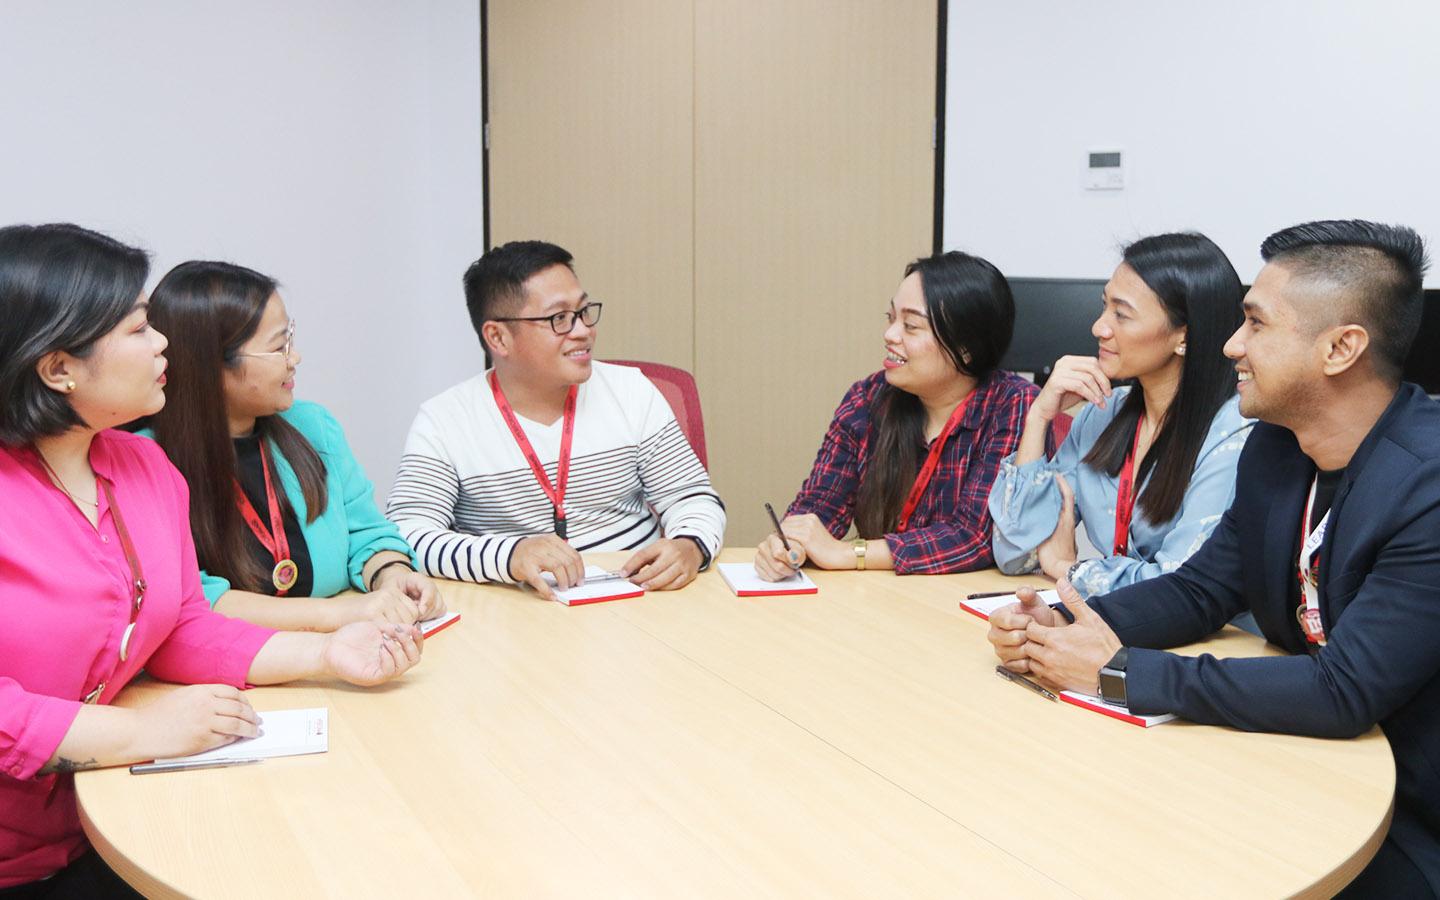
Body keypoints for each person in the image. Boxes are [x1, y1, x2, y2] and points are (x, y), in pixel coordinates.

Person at [987, 220, 1440, 898]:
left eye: (1255, 324)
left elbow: (1345, 691)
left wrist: (1116, 673)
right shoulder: (1278, 449)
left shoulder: (1428, 484)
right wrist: (1063, 623)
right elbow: (1199, 589)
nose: (1230, 345)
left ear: (1341, 348)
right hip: (1300, 761)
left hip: (1409, 810)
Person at [0, 224, 423, 894]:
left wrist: (327, 654)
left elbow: (183, 629)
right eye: (138, 329)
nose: (164, 341)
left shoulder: (143, 466)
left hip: (101, 820)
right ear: (59, 367)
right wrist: (140, 730)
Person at [386, 240, 725, 599]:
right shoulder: (445, 420)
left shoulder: (631, 391)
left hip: (637, 598)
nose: (582, 331)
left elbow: (691, 497)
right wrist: (511, 555)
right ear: (498, 337)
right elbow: (408, 535)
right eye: (558, 319)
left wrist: (691, 545)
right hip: (516, 609)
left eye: (583, 312)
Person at [139, 261, 444, 632]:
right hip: (231, 672)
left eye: (290, 339)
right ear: (212, 367)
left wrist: (391, 573)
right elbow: (193, 596)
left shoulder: (314, 426)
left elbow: (367, 533)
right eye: (278, 347)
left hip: (344, 655)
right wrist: (338, 617)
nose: (294, 358)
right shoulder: (145, 459)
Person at [987, 233, 1252, 599]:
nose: (1099, 327)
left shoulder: (1233, 434)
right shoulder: (1104, 411)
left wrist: (1067, 569)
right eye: (1104, 306)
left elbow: (1178, 585)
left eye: (1121, 314)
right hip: (1116, 626)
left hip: (1207, 646)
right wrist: (1038, 418)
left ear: (1184, 337)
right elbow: (1016, 555)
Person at [753, 251, 1037, 580]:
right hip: (881, 597)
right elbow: (821, 504)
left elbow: (975, 536)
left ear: (965, 347)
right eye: (891, 318)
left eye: (911, 326)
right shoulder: (868, 397)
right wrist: (790, 546)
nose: (890, 335)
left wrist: (848, 553)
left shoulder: (1014, 405)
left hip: (966, 605)